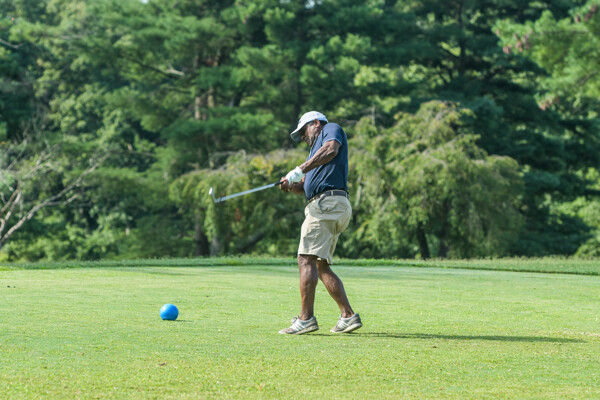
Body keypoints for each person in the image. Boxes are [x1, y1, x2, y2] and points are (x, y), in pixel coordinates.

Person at [278, 111, 362, 335]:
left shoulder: (330, 129)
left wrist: (299, 169)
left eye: (303, 131)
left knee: (305, 258)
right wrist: (290, 185)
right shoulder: (315, 154)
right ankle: (348, 316)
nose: (303, 137)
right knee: (319, 265)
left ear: (315, 123)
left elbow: (331, 149)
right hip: (330, 205)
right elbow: (304, 187)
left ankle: (306, 320)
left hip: (327, 204)